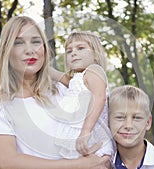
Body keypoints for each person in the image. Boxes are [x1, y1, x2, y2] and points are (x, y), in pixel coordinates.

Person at [0, 16, 111, 169]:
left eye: (36, 42)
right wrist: (77, 165)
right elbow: (4, 163)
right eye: (18, 43)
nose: (30, 50)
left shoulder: (65, 90)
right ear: (6, 51)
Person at [49, 31, 114, 159]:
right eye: (69, 51)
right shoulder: (76, 78)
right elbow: (56, 74)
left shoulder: (94, 71)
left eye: (80, 48)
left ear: (95, 54)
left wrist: (86, 131)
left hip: (91, 137)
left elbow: (99, 98)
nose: (73, 53)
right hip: (79, 142)